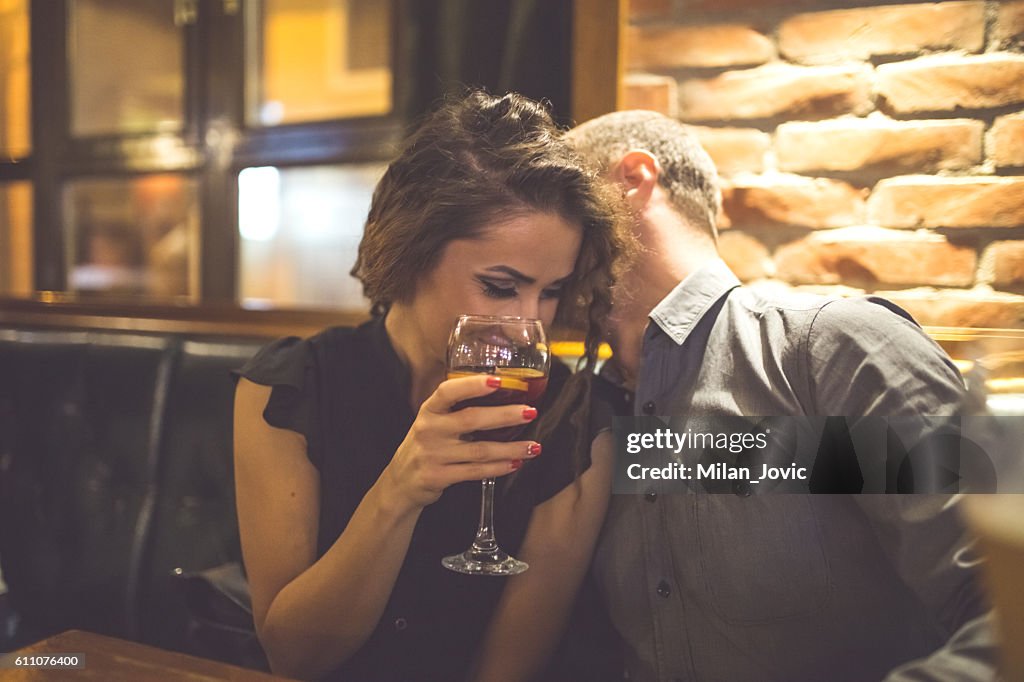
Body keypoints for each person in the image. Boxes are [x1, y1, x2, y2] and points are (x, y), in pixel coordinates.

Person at [567, 110, 1000, 681]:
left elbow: (999, 605)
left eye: (567, 198)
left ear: (633, 178)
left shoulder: (829, 351)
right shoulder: (582, 409)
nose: (549, 230)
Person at [232, 91, 627, 682]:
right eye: (500, 287)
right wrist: (400, 490)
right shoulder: (290, 388)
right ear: (412, 253)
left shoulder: (574, 421)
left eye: (549, 291)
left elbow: (507, 671)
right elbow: (293, 656)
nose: (531, 322)